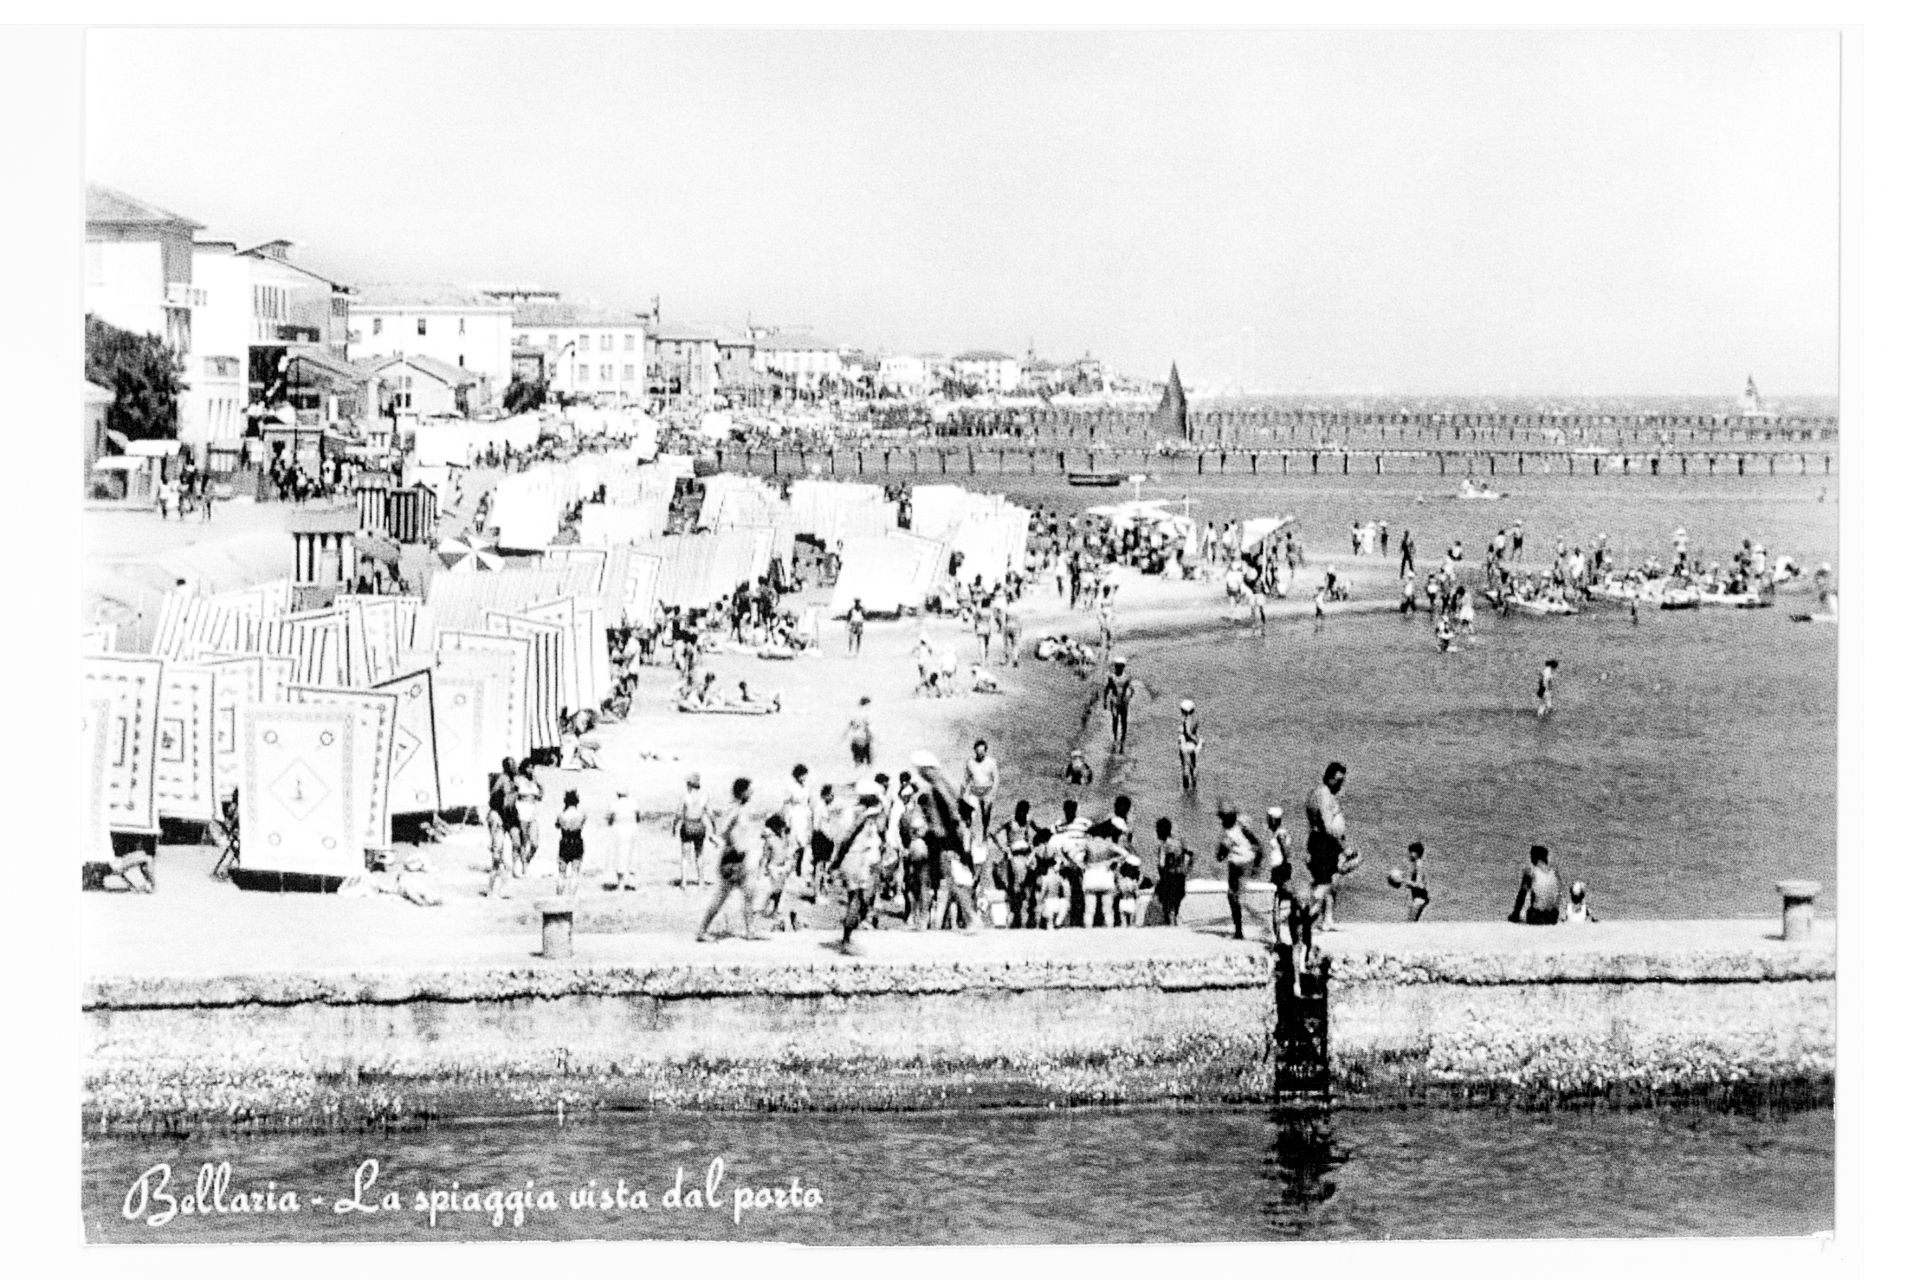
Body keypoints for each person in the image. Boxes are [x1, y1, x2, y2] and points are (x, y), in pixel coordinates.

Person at [695, 778, 760, 941]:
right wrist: (731, 844)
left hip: (741, 859)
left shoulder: (742, 809)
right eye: (749, 789)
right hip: (732, 859)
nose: (752, 792)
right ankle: (702, 931)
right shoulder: (735, 809)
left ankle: (751, 931)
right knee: (721, 897)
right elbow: (722, 829)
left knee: (749, 894)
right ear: (742, 792)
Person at [829, 782, 888, 952]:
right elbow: (847, 837)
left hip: (857, 858)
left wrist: (836, 861)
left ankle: (848, 934)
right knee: (859, 900)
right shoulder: (864, 814)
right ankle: (847, 937)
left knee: (858, 899)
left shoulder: (858, 812)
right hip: (859, 859)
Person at [1304, 761, 1355, 932]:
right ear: (1329, 778)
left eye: (1342, 781)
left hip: (1320, 842)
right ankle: (1309, 916)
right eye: (1339, 781)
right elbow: (1328, 827)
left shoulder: (1317, 793)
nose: (1341, 785)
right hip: (1324, 843)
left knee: (1331, 880)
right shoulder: (1324, 796)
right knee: (1324, 883)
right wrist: (1344, 847)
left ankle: (1327, 919)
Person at [1214, 801, 1260, 941]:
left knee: (1233, 896)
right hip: (1248, 861)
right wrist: (1257, 865)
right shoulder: (1242, 826)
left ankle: (1239, 931)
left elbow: (1220, 856)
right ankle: (1242, 928)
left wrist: (1220, 850)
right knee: (1239, 895)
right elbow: (1257, 845)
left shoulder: (1228, 835)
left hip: (1236, 865)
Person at [1509, 844, 1565, 925]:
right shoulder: (1554, 873)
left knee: (1529, 899)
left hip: (1536, 916)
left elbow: (1522, 894)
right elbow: (1559, 896)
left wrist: (1515, 915)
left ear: (1533, 857)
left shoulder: (1531, 872)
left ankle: (1516, 916)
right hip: (1553, 917)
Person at [1153, 816, 1193, 926]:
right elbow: (1189, 855)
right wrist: (1185, 869)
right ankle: (1174, 918)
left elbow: (1161, 864)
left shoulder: (1164, 845)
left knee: (1167, 900)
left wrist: (1162, 873)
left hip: (1169, 875)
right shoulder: (1179, 842)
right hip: (1180, 875)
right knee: (1177, 899)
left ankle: (1170, 921)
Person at [674, 773, 711, 888]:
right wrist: (714, 826)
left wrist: (674, 826)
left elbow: (679, 814)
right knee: (699, 854)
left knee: (685, 856)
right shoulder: (704, 796)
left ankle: (684, 882)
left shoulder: (685, 796)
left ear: (689, 785)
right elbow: (710, 813)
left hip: (687, 826)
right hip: (699, 826)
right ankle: (701, 881)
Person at [961, 739, 1000, 837]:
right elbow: (966, 778)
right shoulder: (970, 762)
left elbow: (996, 778)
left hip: (987, 792)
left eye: (982, 751)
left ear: (985, 751)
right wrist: (962, 793)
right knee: (970, 815)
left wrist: (993, 793)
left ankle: (984, 834)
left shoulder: (991, 762)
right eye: (978, 751)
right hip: (974, 792)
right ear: (975, 750)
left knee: (985, 814)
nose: (980, 753)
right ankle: (969, 835)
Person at [605, 790, 640, 892]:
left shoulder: (614, 804)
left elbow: (610, 820)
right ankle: (634, 882)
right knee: (632, 854)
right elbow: (638, 818)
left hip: (619, 830)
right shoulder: (634, 803)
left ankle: (621, 884)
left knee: (620, 855)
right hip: (632, 829)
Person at [554, 789, 588, 895]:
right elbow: (582, 824)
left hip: (565, 842)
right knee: (575, 872)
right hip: (577, 841)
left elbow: (557, 825)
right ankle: (572, 895)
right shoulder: (581, 814)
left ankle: (559, 894)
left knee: (562, 872)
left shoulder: (561, 814)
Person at [1102, 655, 1138, 754]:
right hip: (1114, 701)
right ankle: (1115, 738)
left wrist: (1128, 697)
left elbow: (1132, 689)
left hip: (1123, 702)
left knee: (1124, 721)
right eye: (1117, 666)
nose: (1118, 668)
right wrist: (1104, 701)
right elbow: (1107, 689)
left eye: (1120, 666)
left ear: (1123, 667)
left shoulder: (1126, 677)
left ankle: (1122, 739)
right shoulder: (1112, 677)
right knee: (1115, 719)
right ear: (1115, 667)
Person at [1388, 841, 1430, 921]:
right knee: (1411, 923)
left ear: (1416, 853)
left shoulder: (1419, 864)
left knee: (1410, 923)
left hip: (1419, 899)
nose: (1409, 854)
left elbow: (1420, 885)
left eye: (1411, 852)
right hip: (1418, 899)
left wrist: (1402, 880)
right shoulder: (1417, 864)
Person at [482, 807, 512, 898]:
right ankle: (494, 891)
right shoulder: (495, 815)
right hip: (497, 843)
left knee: (499, 867)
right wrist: (492, 844)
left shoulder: (493, 814)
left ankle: (494, 891)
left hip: (498, 843)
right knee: (497, 866)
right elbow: (493, 830)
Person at [1177, 699, 1203, 792]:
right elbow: (1196, 732)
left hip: (1186, 744)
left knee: (1185, 766)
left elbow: (1187, 732)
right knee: (1193, 765)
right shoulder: (1195, 719)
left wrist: (1192, 738)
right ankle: (1194, 787)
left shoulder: (1186, 719)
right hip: (1193, 745)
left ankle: (1185, 789)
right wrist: (1197, 741)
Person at [847, 697, 874, 767]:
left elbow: (851, 724)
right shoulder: (865, 713)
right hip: (863, 739)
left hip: (856, 739)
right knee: (867, 762)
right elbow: (866, 726)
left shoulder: (856, 713)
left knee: (858, 761)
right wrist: (869, 735)